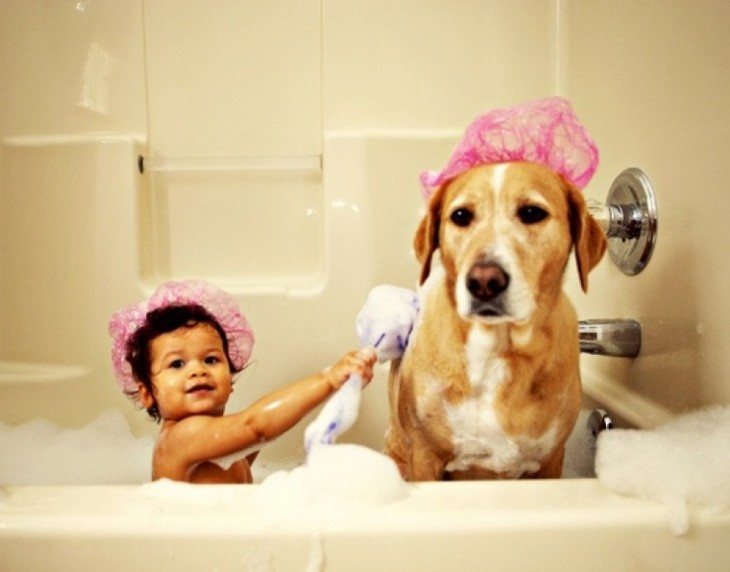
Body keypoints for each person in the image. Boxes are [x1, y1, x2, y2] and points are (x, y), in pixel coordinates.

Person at [109, 279, 376, 484]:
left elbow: (254, 436)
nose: (197, 371)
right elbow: (256, 427)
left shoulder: (216, 440)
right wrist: (328, 379)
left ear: (230, 378)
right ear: (147, 394)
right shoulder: (180, 438)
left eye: (211, 360)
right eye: (177, 364)